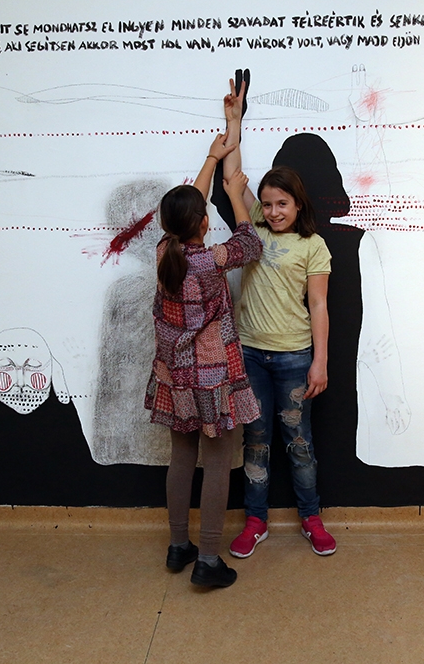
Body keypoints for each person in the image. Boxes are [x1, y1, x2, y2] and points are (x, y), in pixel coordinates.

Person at [220, 78, 338, 558]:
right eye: (266, 204)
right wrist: (234, 120)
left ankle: (311, 517)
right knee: (256, 441)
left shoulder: (313, 246)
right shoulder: (253, 229)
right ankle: (255, 521)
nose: (272, 211)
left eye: (281, 204)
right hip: (250, 355)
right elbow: (233, 175)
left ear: (298, 203)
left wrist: (320, 362)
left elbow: (319, 306)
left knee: (299, 443)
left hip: (294, 358)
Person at [144, 130, 262, 588]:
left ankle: (179, 545)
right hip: (213, 379)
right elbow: (251, 242)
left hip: (174, 377)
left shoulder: (165, 252)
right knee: (216, 463)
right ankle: (208, 559)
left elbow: (188, 208)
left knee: (181, 459)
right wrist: (235, 194)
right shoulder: (211, 260)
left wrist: (212, 159)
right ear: (205, 223)